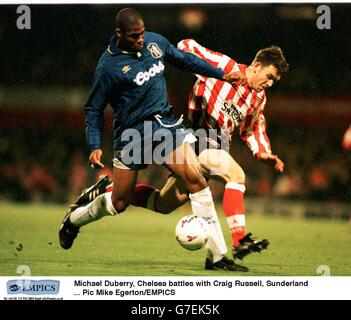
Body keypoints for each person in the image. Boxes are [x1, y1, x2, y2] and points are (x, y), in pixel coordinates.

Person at [59, 8, 248, 272]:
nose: (140, 40)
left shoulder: (155, 42)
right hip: (132, 135)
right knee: (119, 202)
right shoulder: (108, 67)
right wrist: (93, 145)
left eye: (142, 33)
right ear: (119, 34)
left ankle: (216, 257)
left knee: (195, 178)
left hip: (165, 125)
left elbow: (183, 59)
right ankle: (74, 220)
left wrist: (220, 73)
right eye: (134, 36)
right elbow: (93, 109)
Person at [72, 39, 289, 263]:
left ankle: (108, 190)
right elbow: (186, 45)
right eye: (269, 76)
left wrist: (262, 152)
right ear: (255, 67)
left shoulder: (258, 98)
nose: (270, 83)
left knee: (162, 204)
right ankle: (239, 240)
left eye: (275, 81)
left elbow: (253, 128)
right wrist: (185, 58)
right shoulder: (224, 66)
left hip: (215, 146)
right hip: (196, 137)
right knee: (236, 175)